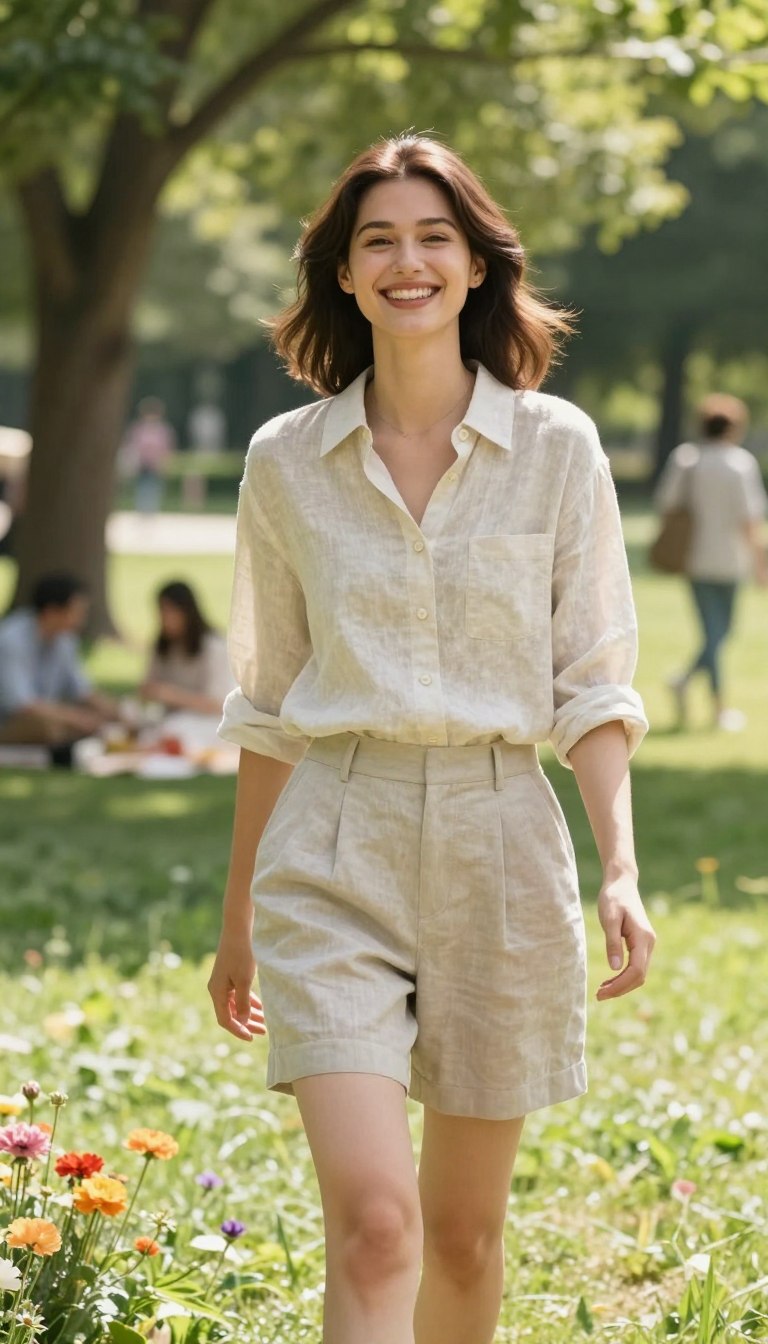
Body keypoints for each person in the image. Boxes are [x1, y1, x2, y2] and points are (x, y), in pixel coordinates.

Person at [208, 134, 655, 1344]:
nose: (407, 261)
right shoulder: (284, 465)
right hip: (334, 845)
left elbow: (594, 685)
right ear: (344, 276)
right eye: (378, 241)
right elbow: (270, 701)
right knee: (377, 1225)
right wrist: (238, 916)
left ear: (475, 268)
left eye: (433, 237)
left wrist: (619, 866)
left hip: (503, 845)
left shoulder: (558, 449)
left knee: (460, 1238)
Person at [655, 393, 768, 731]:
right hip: (730, 561)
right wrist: (760, 562)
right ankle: (717, 708)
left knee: (715, 633)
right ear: (734, 427)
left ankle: (688, 683)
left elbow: (666, 503)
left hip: (696, 559)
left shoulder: (686, 459)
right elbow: (750, 520)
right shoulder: (740, 463)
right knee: (719, 634)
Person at [0, 573, 118, 762]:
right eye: (76, 612)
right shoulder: (11, 640)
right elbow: (23, 705)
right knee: (50, 728)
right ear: (51, 612)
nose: (81, 620)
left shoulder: (64, 641)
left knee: (93, 720)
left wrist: (118, 712)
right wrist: (76, 717)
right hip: (10, 721)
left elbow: (82, 690)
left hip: (44, 715)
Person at [141, 580, 234, 717]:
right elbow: (148, 686)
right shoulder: (164, 646)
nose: (164, 618)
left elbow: (219, 703)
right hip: (169, 719)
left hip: (205, 723)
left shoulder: (213, 647)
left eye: (170, 611)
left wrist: (172, 695)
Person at [121, 397, 176, 514]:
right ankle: (141, 509)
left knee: (153, 487)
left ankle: (151, 510)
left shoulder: (163, 430)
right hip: (142, 463)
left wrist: (165, 463)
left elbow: (166, 448)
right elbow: (132, 446)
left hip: (155, 464)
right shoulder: (138, 429)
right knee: (142, 487)